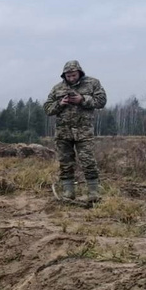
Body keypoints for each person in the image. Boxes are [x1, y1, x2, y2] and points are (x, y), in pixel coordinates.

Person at [43, 60, 107, 202]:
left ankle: (93, 193)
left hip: (84, 131)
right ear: (64, 75)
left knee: (88, 161)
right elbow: (47, 108)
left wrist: (83, 99)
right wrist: (60, 104)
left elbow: (102, 101)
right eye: (68, 76)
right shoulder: (57, 88)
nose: (71, 78)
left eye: (73, 75)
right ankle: (68, 193)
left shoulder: (93, 83)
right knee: (65, 162)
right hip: (63, 132)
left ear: (79, 73)